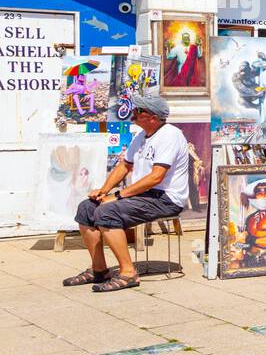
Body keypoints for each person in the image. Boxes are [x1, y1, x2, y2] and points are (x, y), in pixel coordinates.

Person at [63, 95, 191, 292]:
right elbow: (125, 165)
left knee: (108, 212)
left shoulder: (170, 135)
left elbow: (156, 177)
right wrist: (103, 190)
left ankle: (128, 273)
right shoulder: (141, 136)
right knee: (87, 208)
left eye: (139, 111)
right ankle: (99, 270)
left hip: (165, 198)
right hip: (146, 194)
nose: (134, 113)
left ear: (153, 117)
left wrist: (119, 196)